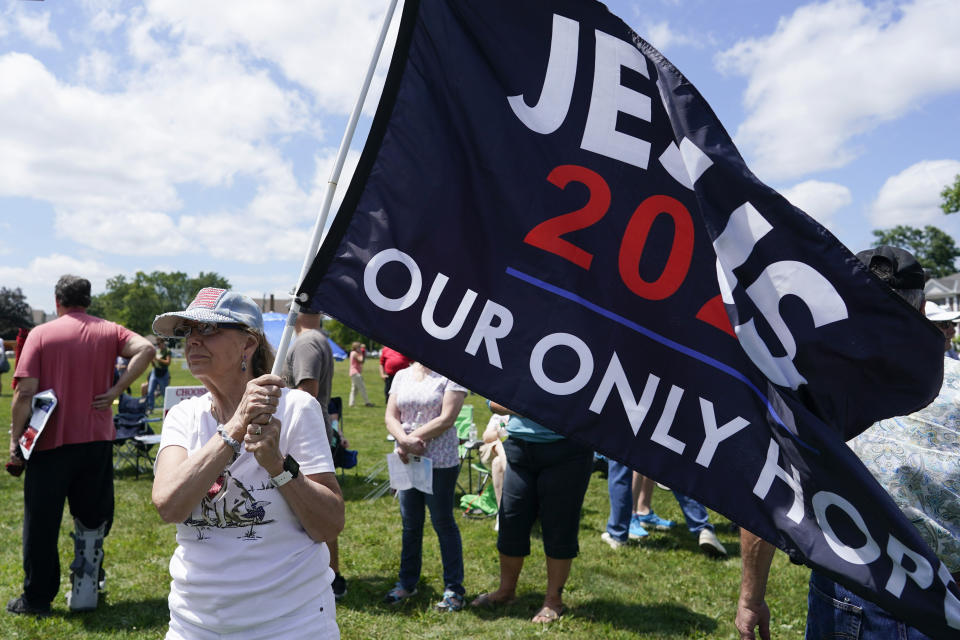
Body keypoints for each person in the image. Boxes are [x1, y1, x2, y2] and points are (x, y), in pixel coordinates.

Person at [736, 246, 954, 640]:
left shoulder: (809, 388)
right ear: (922, 313)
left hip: (854, 588)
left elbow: (773, 487)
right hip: (946, 599)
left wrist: (751, 596)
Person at [150, 288, 344, 639]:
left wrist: (279, 467)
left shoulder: (297, 409)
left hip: (291, 624)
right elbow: (169, 505)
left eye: (207, 330)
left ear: (248, 344)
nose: (192, 341)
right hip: (195, 624)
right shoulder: (183, 417)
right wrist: (235, 427)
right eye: (186, 331)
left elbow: (328, 525)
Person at [7, 275, 155, 615]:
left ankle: (38, 598)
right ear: (88, 300)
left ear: (57, 300)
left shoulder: (40, 334)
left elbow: (24, 391)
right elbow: (146, 349)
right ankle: (89, 582)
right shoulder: (110, 330)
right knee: (92, 518)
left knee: (42, 523)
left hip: (49, 444)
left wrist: (15, 442)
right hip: (97, 440)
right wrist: (117, 390)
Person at [470, 401, 593, 624]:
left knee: (559, 526)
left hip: (569, 450)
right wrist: (541, 408)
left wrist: (530, 406)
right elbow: (494, 402)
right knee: (511, 521)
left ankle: (553, 601)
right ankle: (506, 592)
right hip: (519, 448)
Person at [383, 361, 467, 611]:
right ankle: (407, 583)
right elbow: (390, 415)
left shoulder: (451, 372)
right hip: (406, 457)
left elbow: (447, 418)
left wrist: (410, 439)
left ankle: (454, 589)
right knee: (410, 524)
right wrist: (403, 440)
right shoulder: (401, 375)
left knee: (442, 522)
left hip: (439, 460)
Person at [281, 309, 346, 601]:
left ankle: (330, 576)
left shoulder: (306, 343)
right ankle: (330, 574)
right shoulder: (317, 338)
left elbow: (306, 393)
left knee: (316, 504)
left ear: (295, 311)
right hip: (314, 432)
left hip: (304, 436)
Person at [146, 335, 172, 411]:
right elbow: (154, 363)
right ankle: (150, 408)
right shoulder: (156, 351)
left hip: (163, 373)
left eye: (158, 344)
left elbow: (168, 362)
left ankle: (167, 408)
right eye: (156, 344)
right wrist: (152, 361)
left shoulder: (167, 351)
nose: (157, 345)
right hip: (155, 372)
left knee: (164, 392)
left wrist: (158, 359)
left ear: (163, 343)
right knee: (150, 391)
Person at [348, 342, 373, 407]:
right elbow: (361, 360)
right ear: (356, 348)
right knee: (362, 388)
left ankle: (351, 403)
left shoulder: (352, 353)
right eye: (359, 347)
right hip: (355, 373)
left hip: (354, 373)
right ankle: (367, 402)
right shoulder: (355, 353)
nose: (360, 348)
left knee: (354, 389)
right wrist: (362, 353)